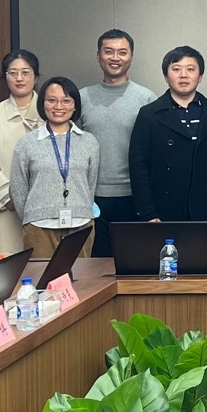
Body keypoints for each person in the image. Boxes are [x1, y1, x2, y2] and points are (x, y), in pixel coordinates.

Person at [78, 29, 158, 257]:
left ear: (131, 57)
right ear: (98, 56)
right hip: (91, 197)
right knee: (95, 264)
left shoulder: (146, 99)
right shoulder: (81, 97)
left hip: (134, 196)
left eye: (122, 52)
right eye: (109, 52)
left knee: (134, 263)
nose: (115, 58)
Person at [10, 77, 100, 258]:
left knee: (81, 275)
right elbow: (18, 188)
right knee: (41, 275)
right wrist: (34, 215)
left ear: (75, 106)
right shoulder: (27, 143)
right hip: (39, 226)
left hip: (81, 224)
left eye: (66, 101)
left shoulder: (89, 142)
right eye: (52, 100)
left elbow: (91, 184)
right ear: (42, 104)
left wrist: (81, 208)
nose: (59, 106)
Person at [129, 46, 207, 222]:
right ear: (166, 76)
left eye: (190, 69)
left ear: (200, 76)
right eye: (176, 69)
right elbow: (138, 166)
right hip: (162, 209)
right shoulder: (149, 114)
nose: (183, 75)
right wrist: (148, 212)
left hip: (202, 208)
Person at [0, 50, 43, 254]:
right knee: (4, 267)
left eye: (26, 72)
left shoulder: (49, 111)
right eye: (13, 73)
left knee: (41, 266)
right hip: (5, 209)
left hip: (42, 210)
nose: (19, 78)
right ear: (5, 77)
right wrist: (8, 196)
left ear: (35, 77)